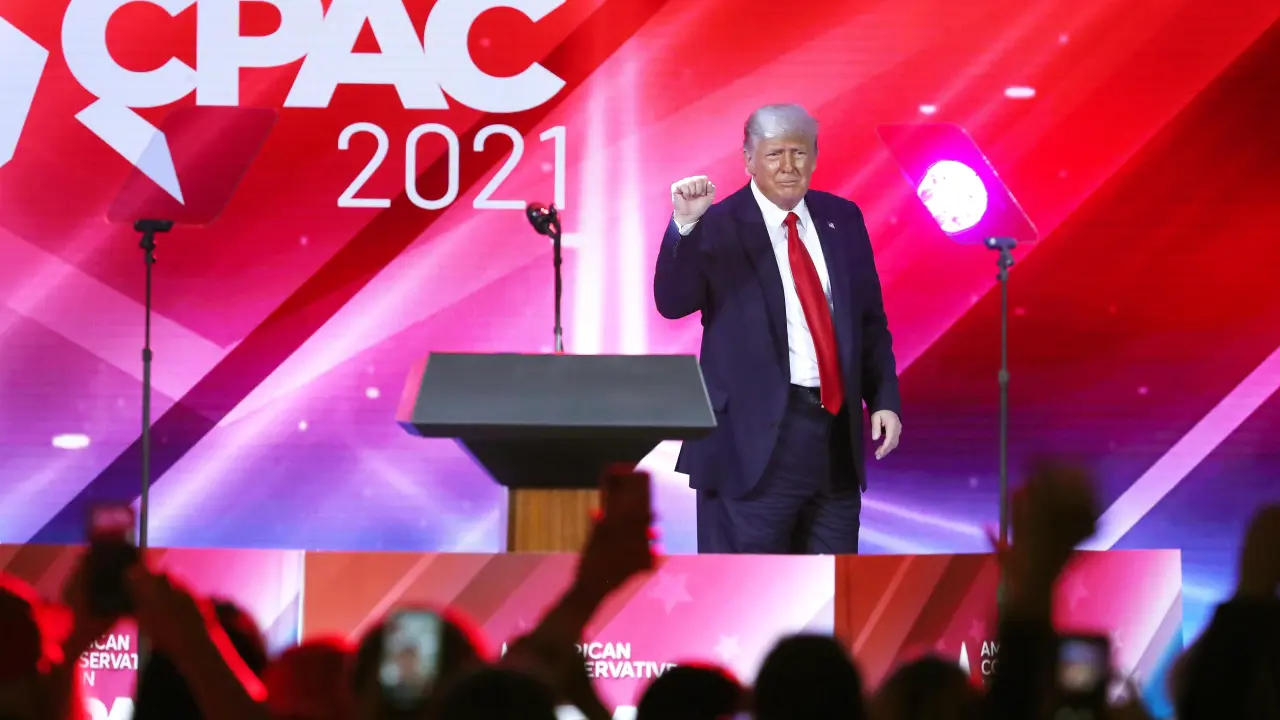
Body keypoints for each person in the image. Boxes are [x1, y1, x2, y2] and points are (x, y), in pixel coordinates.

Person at [653, 103, 902, 554]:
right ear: (749, 160)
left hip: (834, 443)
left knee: (831, 583)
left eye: (798, 152)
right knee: (744, 587)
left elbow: (869, 320)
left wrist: (883, 398)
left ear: (815, 157)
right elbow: (672, 303)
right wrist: (684, 226)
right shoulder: (717, 224)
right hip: (750, 447)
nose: (788, 166)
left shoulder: (842, 218)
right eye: (774, 154)